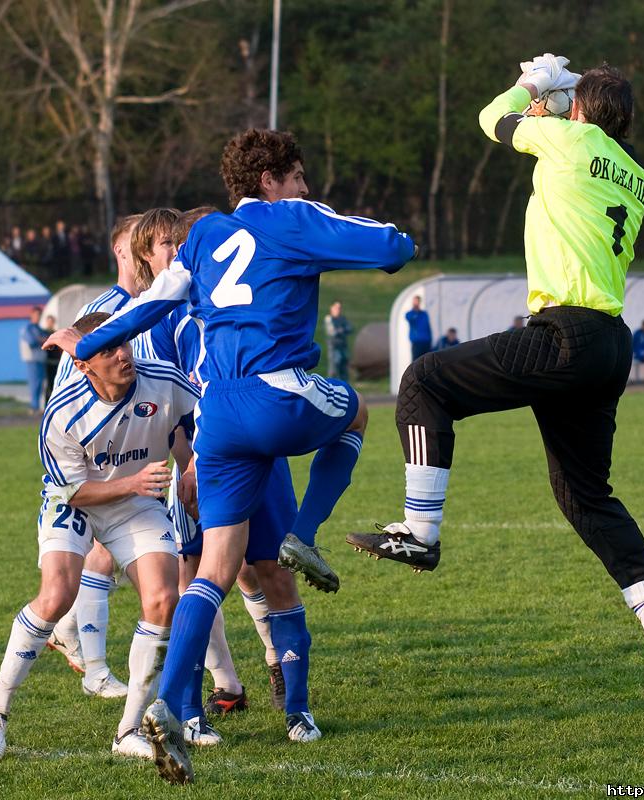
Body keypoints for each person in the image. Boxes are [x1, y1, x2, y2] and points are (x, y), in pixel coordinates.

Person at [44, 128, 415, 784]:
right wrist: (386, 243)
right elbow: (391, 247)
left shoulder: (209, 235)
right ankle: (307, 533)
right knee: (357, 412)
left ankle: (170, 705)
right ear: (271, 180)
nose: (304, 189)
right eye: (298, 177)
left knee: (216, 570)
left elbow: (151, 304)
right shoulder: (292, 217)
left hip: (218, 425)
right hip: (274, 396)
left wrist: (86, 342)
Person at [347, 57, 644, 706]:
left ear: (581, 111)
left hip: (564, 333)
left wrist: (535, 83)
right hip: (610, 345)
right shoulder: (638, 175)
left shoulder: (567, 138)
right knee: (585, 496)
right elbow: (584, 148)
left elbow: (491, 120)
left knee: (424, 381)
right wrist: (564, 107)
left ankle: (420, 533)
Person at [0, 311, 202, 762]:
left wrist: (191, 464)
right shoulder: (62, 413)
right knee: (57, 594)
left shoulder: (163, 380)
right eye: (107, 350)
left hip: (136, 505)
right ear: (83, 364)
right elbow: (72, 489)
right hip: (76, 501)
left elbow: (200, 420)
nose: (122, 355)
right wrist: (134, 484)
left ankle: (128, 729)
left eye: (124, 343)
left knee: (162, 600)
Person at [133, 206, 288, 722]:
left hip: (248, 443)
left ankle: (276, 661)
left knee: (258, 566)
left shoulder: (225, 297)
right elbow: (170, 408)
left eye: (182, 241)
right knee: (195, 570)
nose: (178, 251)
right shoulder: (155, 320)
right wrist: (186, 464)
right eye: (165, 244)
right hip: (197, 452)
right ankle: (193, 703)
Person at [47, 214, 144, 699]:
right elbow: (72, 387)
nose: (155, 252)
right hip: (98, 453)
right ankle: (96, 665)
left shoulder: (156, 305)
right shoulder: (107, 309)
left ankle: (85, 648)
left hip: (141, 440)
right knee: (107, 555)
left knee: (122, 557)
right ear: (123, 253)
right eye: (143, 244)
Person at [19, 306, 47, 414]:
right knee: (35, 383)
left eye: (40, 315)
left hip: (40, 359)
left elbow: (47, 339)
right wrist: (41, 340)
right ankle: (33, 406)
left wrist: (41, 339)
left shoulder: (39, 328)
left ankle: (38, 406)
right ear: (31, 315)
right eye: (36, 315)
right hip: (32, 359)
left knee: (41, 384)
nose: (38, 317)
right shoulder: (28, 328)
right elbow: (32, 342)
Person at [324, 300, 353, 381]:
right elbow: (332, 332)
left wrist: (341, 330)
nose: (338, 310)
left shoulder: (342, 319)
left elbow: (350, 328)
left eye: (339, 308)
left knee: (344, 369)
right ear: (331, 308)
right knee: (333, 369)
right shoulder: (329, 319)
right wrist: (342, 330)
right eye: (336, 308)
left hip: (343, 347)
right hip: (334, 347)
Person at [405, 295, 432, 360]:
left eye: (417, 301)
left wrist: (430, 339)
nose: (416, 303)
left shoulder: (424, 314)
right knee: (416, 362)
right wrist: (415, 311)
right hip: (417, 342)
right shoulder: (410, 314)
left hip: (426, 341)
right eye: (414, 301)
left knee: (427, 362)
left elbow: (428, 327)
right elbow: (409, 318)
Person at [43, 315, 62, 402]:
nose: (50, 323)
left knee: (55, 383)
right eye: (49, 321)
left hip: (56, 362)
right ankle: (47, 403)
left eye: (52, 322)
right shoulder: (43, 333)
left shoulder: (55, 333)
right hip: (47, 362)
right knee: (48, 384)